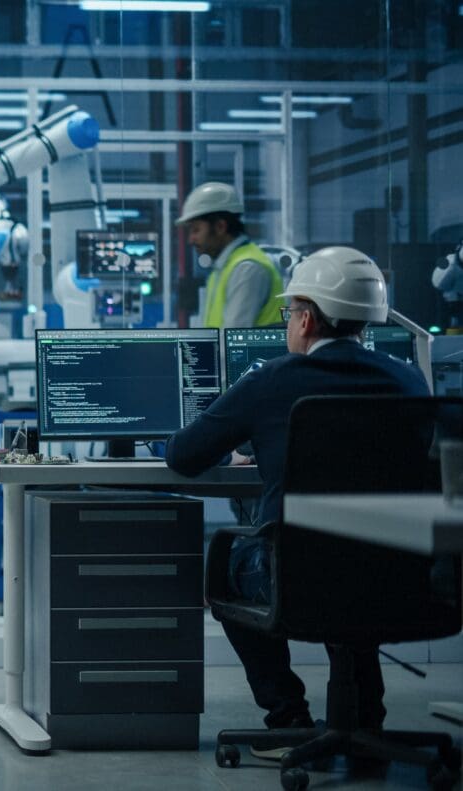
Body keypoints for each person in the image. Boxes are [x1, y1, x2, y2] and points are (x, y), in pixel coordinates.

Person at [165, 246, 427, 756]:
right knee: (355, 558)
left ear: (306, 319)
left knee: (226, 564)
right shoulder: (409, 380)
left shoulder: (272, 380)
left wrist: (251, 447)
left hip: (299, 576)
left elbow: (185, 456)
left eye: (290, 313)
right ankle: (365, 716)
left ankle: (287, 714)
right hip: (403, 575)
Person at [178, 181, 285, 328]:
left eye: (196, 230)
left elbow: (233, 341)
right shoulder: (225, 268)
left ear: (220, 227)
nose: (191, 239)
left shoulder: (247, 269)